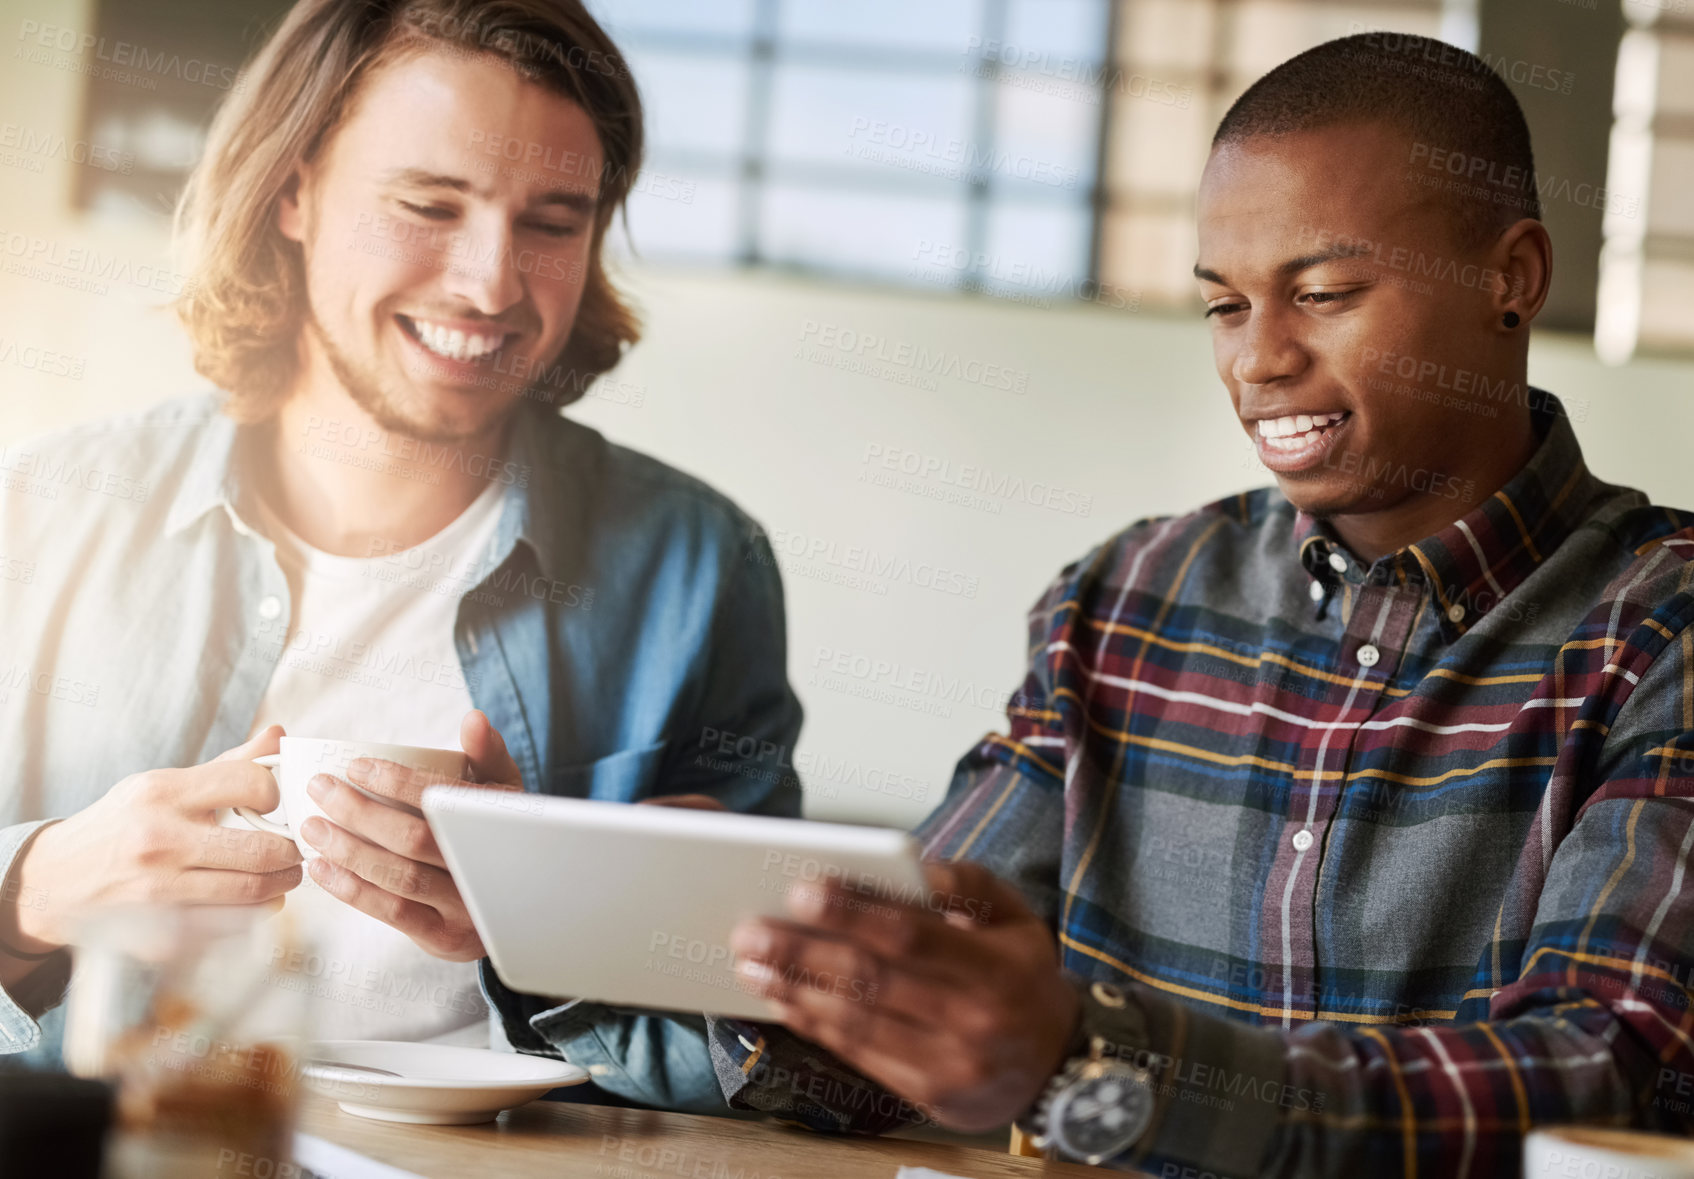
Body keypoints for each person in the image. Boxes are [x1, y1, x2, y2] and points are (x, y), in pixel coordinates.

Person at [701, 32, 1694, 1175]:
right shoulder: (1122, 603)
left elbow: (1598, 1074)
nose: (1256, 360)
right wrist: (762, 971)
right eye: (1223, 307)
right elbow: (920, 996)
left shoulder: (1656, 624)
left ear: (1508, 278)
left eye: (1321, 293)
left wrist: (1094, 1059)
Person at [0, 0, 799, 1112]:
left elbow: (785, 1055)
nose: (488, 285)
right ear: (293, 191)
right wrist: (29, 891)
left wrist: (566, 928)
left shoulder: (696, 565)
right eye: (428, 204)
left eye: (553, 222)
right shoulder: (39, 513)